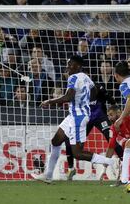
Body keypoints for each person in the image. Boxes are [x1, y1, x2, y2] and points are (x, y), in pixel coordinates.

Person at [32, 55, 114, 183]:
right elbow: (94, 91)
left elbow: (68, 97)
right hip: (73, 115)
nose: (68, 67)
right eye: (68, 64)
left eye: (70, 65)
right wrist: (84, 101)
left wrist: (49, 101)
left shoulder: (73, 77)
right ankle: (48, 176)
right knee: (56, 140)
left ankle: (110, 161)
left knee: (77, 153)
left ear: (78, 66)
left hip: (78, 118)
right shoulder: (85, 77)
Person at [64, 83, 123, 180]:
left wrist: (114, 110)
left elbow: (112, 101)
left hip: (100, 117)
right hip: (86, 119)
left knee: (111, 138)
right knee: (69, 139)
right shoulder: (75, 91)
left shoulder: (97, 87)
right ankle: (71, 168)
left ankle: (124, 161)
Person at [100, 105, 130, 190]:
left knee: (126, 143)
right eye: (108, 115)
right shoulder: (113, 128)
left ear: (119, 112)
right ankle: (124, 179)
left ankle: (124, 179)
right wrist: (104, 169)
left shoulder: (127, 118)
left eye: (111, 114)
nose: (109, 118)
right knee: (124, 144)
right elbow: (110, 147)